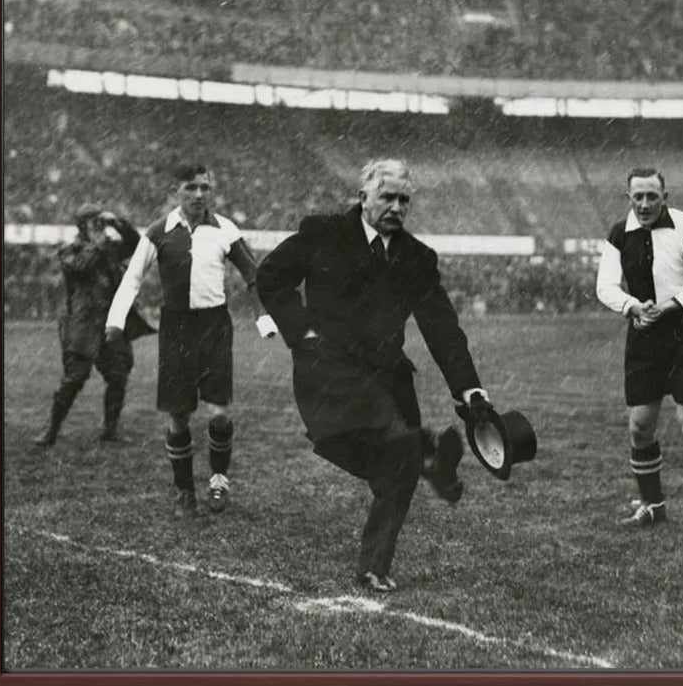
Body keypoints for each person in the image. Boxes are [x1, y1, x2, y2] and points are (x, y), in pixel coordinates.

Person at [255, 158, 494, 593]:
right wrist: (300, 330)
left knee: (395, 473)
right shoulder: (322, 232)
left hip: (387, 377)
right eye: (387, 196)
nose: (397, 207)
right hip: (327, 370)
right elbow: (270, 277)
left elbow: (441, 327)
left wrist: (469, 389)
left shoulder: (418, 258)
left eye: (405, 199)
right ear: (362, 196)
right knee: (369, 440)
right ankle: (425, 455)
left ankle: (374, 567)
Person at [105, 165, 275, 518]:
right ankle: (184, 492)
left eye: (205, 187)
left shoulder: (224, 228)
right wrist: (115, 321)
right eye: (191, 188)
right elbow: (133, 279)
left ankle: (218, 481)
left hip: (214, 325)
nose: (199, 194)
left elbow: (252, 274)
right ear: (176, 192)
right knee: (178, 416)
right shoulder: (158, 232)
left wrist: (262, 316)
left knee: (220, 414)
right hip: (176, 329)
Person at [596, 166, 683, 539]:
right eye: (639, 196)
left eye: (653, 196)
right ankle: (652, 507)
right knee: (639, 427)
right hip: (644, 334)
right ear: (629, 198)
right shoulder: (620, 234)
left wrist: (670, 306)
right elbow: (605, 285)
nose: (646, 203)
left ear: (665, 197)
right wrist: (633, 307)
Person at [32, 206, 154, 447]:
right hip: (82, 323)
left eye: (100, 223)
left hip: (110, 321)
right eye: (93, 223)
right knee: (75, 377)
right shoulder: (70, 250)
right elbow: (81, 267)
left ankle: (110, 430)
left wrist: (118, 223)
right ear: (82, 227)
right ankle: (51, 429)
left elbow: (136, 245)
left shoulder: (109, 248)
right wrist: (98, 244)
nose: (99, 228)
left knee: (118, 373)